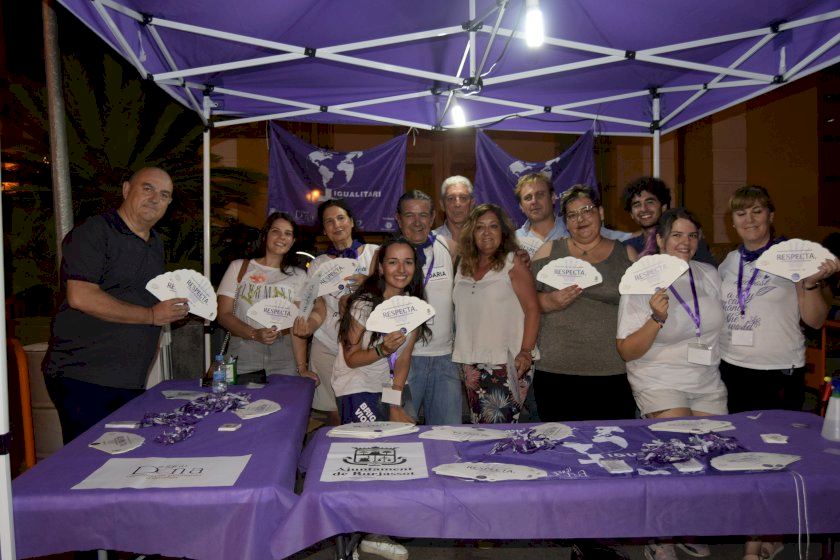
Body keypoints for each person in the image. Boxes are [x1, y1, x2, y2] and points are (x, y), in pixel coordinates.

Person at [718, 185, 839, 560]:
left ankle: (755, 544)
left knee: (772, 457)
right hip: (732, 370)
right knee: (742, 455)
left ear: (771, 215)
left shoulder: (793, 258)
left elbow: (814, 320)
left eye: (757, 211)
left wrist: (811, 282)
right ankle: (764, 529)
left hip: (778, 372)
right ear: (732, 222)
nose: (750, 219)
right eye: (741, 213)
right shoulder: (729, 263)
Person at [43, 167, 188, 444]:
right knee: (89, 459)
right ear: (126, 189)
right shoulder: (94, 232)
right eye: (147, 188)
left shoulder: (155, 243)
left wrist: (172, 310)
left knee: (122, 459)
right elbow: (81, 296)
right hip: (83, 376)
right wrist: (151, 315)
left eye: (164, 194)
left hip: (129, 380)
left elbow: (141, 296)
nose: (155, 198)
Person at [332, 238, 430, 560]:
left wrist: (395, 404)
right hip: (356, 383)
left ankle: (378, 526)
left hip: (384, 386)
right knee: (367, 458)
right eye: (393, 262)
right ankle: (360, 537)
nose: (401, 269)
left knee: (392, 453)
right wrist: (381, 349)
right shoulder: (363, 305)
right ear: (381, 267)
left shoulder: (413, 307)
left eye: (408, 262)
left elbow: (403, 362)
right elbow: (351, 359)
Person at [530, 184, 637, 421]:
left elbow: (640, 310)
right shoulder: (549, 251)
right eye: (572, 215)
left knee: (611, 440)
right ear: (566, 223)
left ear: (601, 213)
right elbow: (523, 300)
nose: (580, 219)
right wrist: (548, 301)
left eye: (587, 210)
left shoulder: (625, 254)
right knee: (560, 440)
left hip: (612, 370)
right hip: (555, 368)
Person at [617, 208, 728, 417]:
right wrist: (656, 319)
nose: (686, 242)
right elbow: (626, 351)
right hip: (659, 383)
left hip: (707, 383)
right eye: (677, 235)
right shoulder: (641, 280)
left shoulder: (709, 274)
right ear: (660, 240)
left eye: (692, 235)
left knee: (715, 437)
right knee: (680, 433)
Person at [293, 199, 379, 425]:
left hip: (366, 346)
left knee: (368, 410)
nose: (336, 225)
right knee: (335, 414)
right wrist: (308, 326)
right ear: (324, 230)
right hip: (328, 345)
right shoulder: (318, 264)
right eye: (329, 221)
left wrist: (368, 281)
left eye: (341, 218)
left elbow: (390, 293)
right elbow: (319, 306)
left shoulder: (375, 254)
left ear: (351, 222)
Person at [453, 204, 540, 423]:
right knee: (481, 428)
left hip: (507, 362)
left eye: (493, 226)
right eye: (479, 227)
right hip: (471, 361)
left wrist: (526, 352)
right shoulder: (462, 264)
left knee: (499, 430)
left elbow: (533, 309)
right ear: (471, 232)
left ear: (503, 231)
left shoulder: (513, 262)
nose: (486, 232)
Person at [216, 212, 317, 383]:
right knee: (240, 399)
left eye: (288, 233)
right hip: (243, 350)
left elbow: (297, 324)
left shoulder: (299, 276)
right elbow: (223, 314)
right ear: (265, 235)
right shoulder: (239, 267)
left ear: (293, 241)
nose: (281, 237)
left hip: (284, 354)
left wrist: (302, 367)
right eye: (275, 231)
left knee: (283, 399)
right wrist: (254, 333)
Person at [396, 190, 463, 425]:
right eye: (409, 215)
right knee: (400, 432)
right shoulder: (387, 255)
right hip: (403, 360)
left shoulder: (448, 246)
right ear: (398, 219)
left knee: (448, 435)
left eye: (423, 215)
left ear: (433, 217)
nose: (417, 222)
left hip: (445, 359)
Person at [515, 173, 631, 249]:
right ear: (521, 206)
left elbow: (620, 237)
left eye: (540, 195)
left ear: (553, 197)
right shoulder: (514, 240)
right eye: (528, 198)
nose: (534, 201)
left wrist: (640, 235)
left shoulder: (574, 226)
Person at [621, 176, 716, 265]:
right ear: (631, 214)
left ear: (663, 207)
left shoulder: (685, 242)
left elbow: (706, 272)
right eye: (637, 205)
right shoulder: (626, 247)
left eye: (650, 202)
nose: (644, 209)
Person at [433, 175, 475, 241]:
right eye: (450, 198)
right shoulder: (430, 241)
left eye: (463, 198)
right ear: (442, 205)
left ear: (472, 203)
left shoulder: (484, 238)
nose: (457, 204)